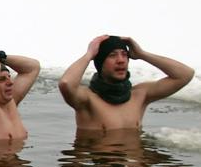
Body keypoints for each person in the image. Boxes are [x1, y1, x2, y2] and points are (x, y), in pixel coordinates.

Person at [58, 35, 195, 133]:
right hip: (104, 165)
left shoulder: (140, 95)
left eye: (124, 54)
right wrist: (89, 55)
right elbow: (66, 83)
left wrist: (142, 54)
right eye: (112, 55)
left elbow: (185, 75)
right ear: (100, 63)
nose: (121, 60)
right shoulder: (87, 100)